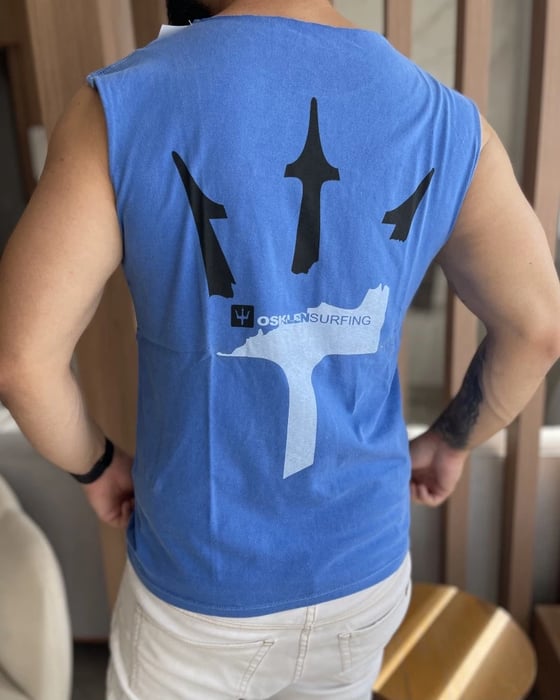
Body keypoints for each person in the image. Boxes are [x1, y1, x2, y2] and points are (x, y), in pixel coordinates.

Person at [0, 0, 559, 698]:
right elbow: (538, 330)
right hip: (362, 575)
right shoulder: (447, 123)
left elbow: (20, 362)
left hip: (198, 589)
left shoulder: (121, 106)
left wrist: (98, 465)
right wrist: (451, 440)